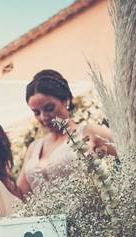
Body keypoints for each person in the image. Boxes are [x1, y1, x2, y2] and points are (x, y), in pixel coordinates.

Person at [16, 70, 115, 198]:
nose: (43, 117)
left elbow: (131, 154)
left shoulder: (91, 132)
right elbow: (20, 194)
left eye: (49, 108)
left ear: (66, 101)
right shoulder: (33, 148)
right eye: (36, 112)